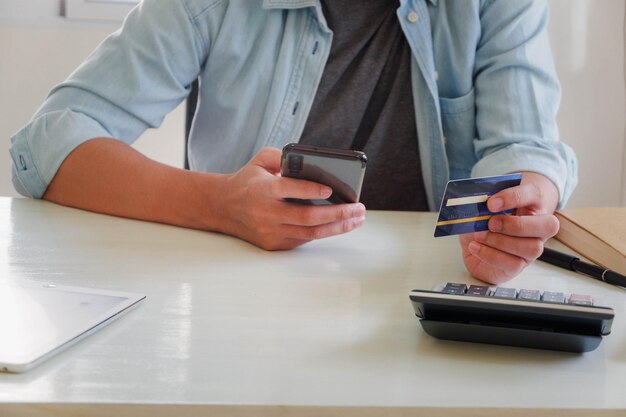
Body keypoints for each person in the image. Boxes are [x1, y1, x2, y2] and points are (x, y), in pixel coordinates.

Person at [9, 0, 577, 284]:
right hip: (236, 291)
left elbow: (524, 146)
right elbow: (50, 145)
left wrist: (516, 209)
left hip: (427, 295)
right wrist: (218, 205)